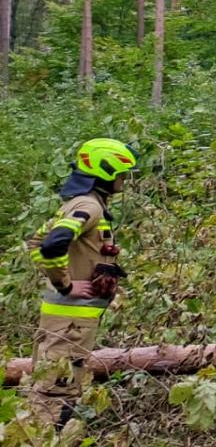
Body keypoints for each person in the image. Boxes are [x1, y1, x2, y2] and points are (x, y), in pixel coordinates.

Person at [24, 138, 137, 426]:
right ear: (106, 172)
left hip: (69, 323)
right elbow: (51, 245)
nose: (124, 180)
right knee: (55, 393)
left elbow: (36, 241)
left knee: (58, 388)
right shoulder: (89, 206)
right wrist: (65, 283)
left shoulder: (81, 203)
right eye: (121, 174)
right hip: (70, 325)